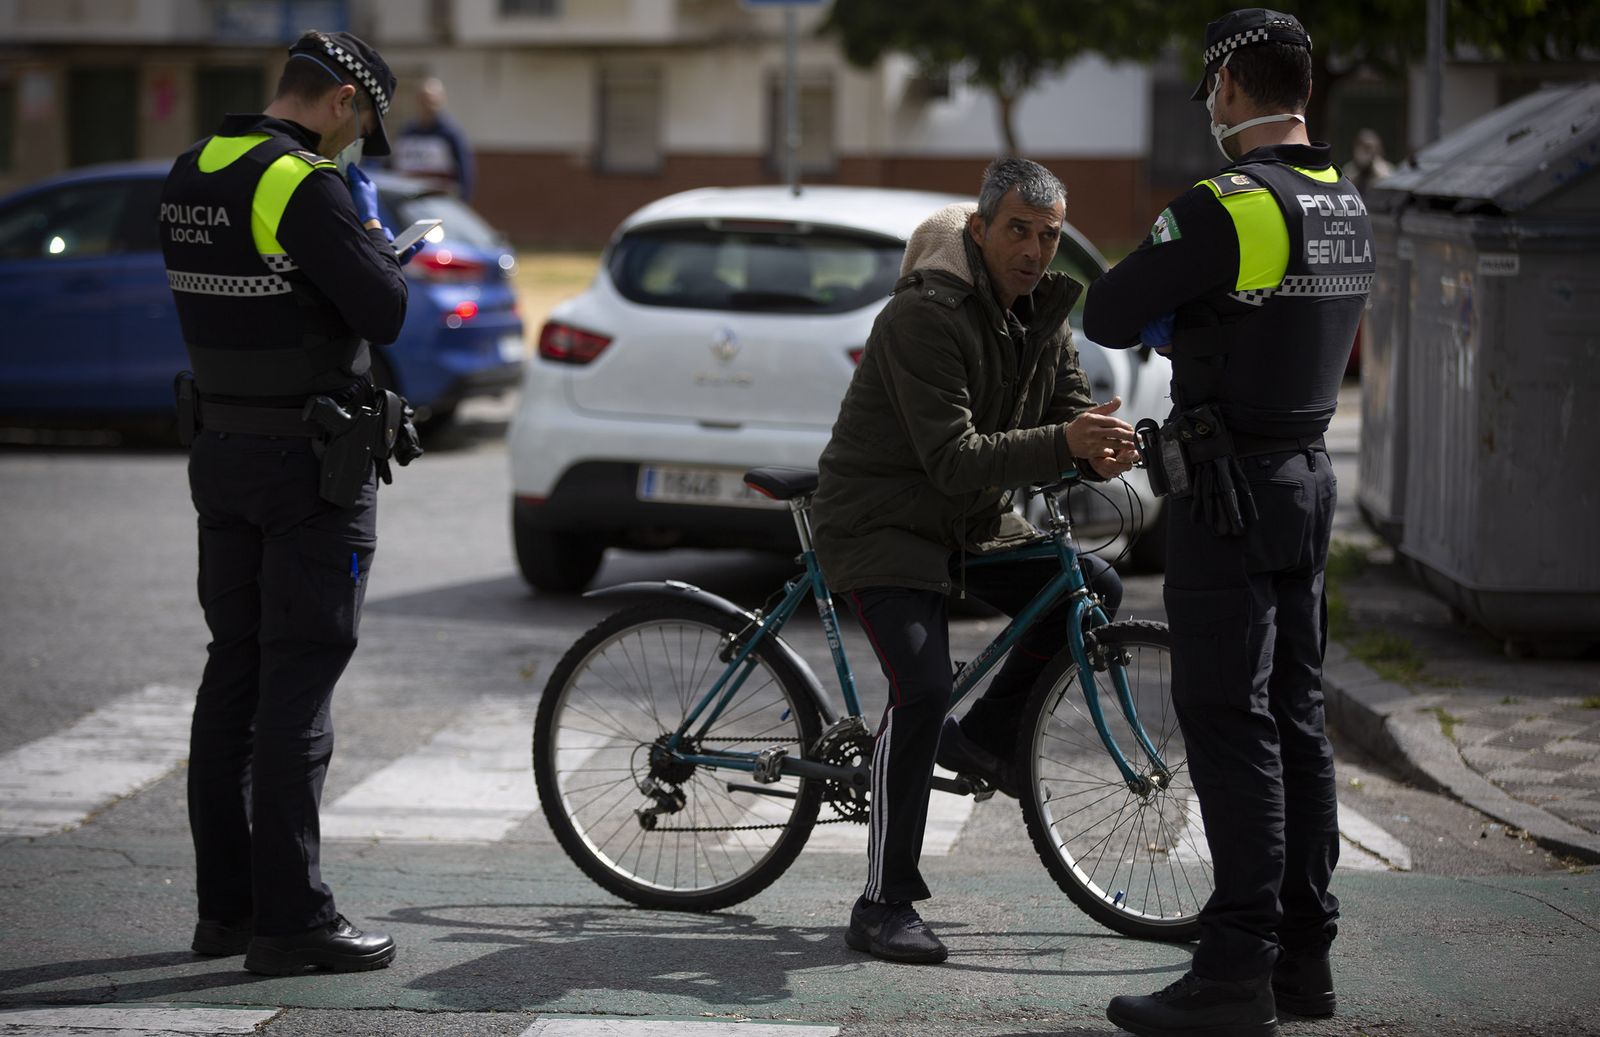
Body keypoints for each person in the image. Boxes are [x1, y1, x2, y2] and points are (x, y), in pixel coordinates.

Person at [1083, 10, 1374, 1035]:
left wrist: (1182, 315)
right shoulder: (1346, 202)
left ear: (1229, 91)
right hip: (1306, 478)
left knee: (1226, 716)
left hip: (1229, 488)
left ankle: (1233, 967)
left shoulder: (1226, 204)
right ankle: (1303, 958)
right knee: (1295, 715)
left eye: (1211, 91)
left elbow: (1108, 313)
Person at [811, 157, 1140, 965]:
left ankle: (986, 738)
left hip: (964, 526)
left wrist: (1097, 448)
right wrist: (1063, 443)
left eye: (1050, 235)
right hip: (881, 523)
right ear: (979, 230)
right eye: (1019, 230)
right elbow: (954, 458)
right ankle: (883, 901)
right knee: (920, 689)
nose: (1034, 250)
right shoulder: (923, 318)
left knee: (1089, 583)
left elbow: (1065, 414)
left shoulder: (1042, 313)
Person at [160, 29, 422, 976]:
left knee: (232, 671)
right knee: (298, 686)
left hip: (221, 450)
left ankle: (224, 911)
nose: (355, 152)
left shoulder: (194, 170)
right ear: (344, 104)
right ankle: (293, 919)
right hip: (307, 470)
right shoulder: (301, 184)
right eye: (361, 134)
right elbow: (385, 309)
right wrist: (372, 236)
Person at [388, 77, 475, 200]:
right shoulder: (406, 133)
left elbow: (464, 170)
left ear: (441, 100)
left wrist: (463, 200)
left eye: (432, 100)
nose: (428, 105)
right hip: (407, 201)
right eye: (423, 99)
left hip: (439, 202)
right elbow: (393, 165)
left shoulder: (450, 133)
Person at [1348, 127, 1395, 196]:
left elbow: (1388, 186)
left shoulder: (1387, 170)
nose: (1367, 152)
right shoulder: (1349, 169)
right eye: (1362, 146)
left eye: (1369, 147)